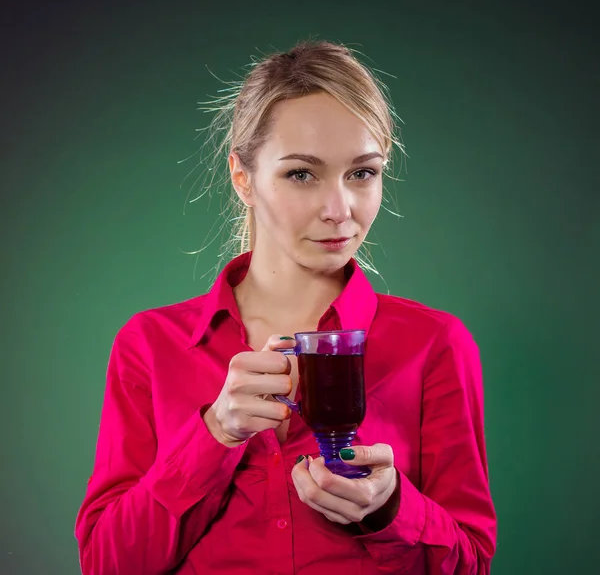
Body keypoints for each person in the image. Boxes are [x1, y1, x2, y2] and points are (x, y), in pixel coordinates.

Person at [75, 40, 497, 574]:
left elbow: (471, 563)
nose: (339, 210)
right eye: (302, 173)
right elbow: (107, 564)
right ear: (242, 177)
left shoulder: (435, 345)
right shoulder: (149, 345)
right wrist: (215, 434)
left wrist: (393, 509)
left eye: (362, 173)